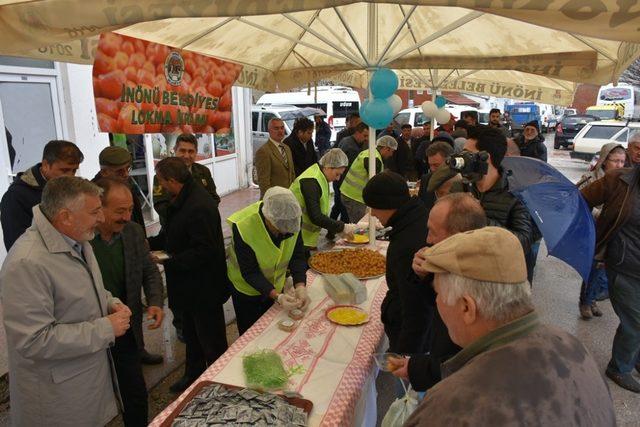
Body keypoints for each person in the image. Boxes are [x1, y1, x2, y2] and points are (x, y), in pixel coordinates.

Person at [404, 227, 616, 426]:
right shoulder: (574, 348)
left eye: (438, 293)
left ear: (467, 307)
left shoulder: (451, 403)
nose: (438, 302)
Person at [0, 176, 129, 426]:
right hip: (56, 401)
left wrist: (109, 302)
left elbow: (84, 290)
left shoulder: (77, 238)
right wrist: (105, 328)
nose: (101, 218)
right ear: (65, 216)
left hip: (84, 386)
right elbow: (33, 341)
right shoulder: (27, 263)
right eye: (94, 212)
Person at [389, 193, 486, 392]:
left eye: (433, 232)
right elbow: (433, 304)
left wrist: (416, 368)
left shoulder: (480, 280)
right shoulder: (457, 259)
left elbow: (464, 361)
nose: (428, 239)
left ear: (458, 234)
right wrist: (422, 276)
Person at [149, 157, 230, 392]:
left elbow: (205, 250)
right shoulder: (182, 199)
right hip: (188, 288)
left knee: (212, 342)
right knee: (193, 338)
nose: (161, 187)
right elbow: (172, 234)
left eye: (162, 181)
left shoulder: (198, 205)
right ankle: (193, 376)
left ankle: (220, 385)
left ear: (172, 181)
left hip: (204, 288)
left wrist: (169, 259)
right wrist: (150, 243)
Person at [91, 178, 165, 425]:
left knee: (134, 391)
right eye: (119, 211)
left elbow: (149, 269)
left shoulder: (132, 231)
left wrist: (155, 301)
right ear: (98, 208)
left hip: (126, 331)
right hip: (91, 332)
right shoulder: (83, 240)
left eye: (130, 209)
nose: (126, 216)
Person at [581, 161, 640, 393]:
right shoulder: (618, 179)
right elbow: (582, 200)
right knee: (635, 321)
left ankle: (634, 357)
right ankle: (619, 367)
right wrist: (597, 232)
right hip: (623, 264)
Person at [362, 171, 431, 354]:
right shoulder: (417, 214)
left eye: (374, 207)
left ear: (387, 204)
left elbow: (415, 307)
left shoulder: (407, 245)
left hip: (409, 332)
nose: (373, 214)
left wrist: (404, 354)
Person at [227, 187, 309, 334]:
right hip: (246, 291)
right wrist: (278, 296)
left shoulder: (292, 218)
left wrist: (300, 285)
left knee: (272, 331)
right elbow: (250, 272)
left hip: (274, 286)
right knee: (250, 334)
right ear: (268, 217)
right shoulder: (243, 226)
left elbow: (297, 256)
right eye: (280, 228)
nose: (285, 233)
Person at [462, 126, 534, 260]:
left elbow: (523, 242)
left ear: (485, 158)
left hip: (495, 270)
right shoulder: (463, 185)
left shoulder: (515, 193)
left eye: (467, 154)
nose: (461, 159)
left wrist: (481, 218)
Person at [1, 140, 83, 250]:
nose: (70, 176)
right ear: (45, 165)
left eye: (74, 171)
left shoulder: (70, 188)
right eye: (64, 170)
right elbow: (17, 247)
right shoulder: (15, 197)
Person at [576, 143, 626, 320]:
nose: (619, 165)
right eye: (616, 161)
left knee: (604, 269)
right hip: (592, 231)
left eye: (622, 161)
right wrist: (598, 213)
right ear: (605, 161)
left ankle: (592, 299)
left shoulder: (624, 182)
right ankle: (585, 301)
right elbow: (579, 202)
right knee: (593, 267)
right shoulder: (590, 179)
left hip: (611, 231)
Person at [290, 149, 357, 249]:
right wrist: (342, 227)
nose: (338, 179)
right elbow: (315, 216)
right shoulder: (311, 181)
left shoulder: (320, 176)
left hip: (305, 237)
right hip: (295, 235)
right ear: (328, 167)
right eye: (337, 174)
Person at [153, 133, 220, 226]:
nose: (186, 155)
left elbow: (214, 198)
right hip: (174, 229)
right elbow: (161, 207)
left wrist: (204, 214)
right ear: (175, 150)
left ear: (196, 152)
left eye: (191, 151)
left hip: (201, 226)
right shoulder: (162, 175)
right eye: (182, 151)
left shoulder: (204, 171)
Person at [341, 135, 397, 223]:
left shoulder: (370, 153)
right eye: (392, 151)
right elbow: (375, 183)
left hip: (349, 193)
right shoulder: (374, 159)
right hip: (354, 197)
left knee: (356, 222)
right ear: (386, 148)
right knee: (360, 226)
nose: (391, 155)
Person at [93, 146, 146, 234]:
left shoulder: (127, 186)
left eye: (128, 168)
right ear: (104, 172)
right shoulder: (93, 194)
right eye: (119, 171)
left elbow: (137, 219)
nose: (126, 174)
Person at [330, 122, 369, 224]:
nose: (366, 138)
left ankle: (331, 230)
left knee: (338, 206)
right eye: (365, 135)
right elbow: (338, 163)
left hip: (350, 184)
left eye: (368, 136)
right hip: (341, 181)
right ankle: (339, 230)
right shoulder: (346, 143)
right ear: (357, 133)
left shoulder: (364, 144)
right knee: (342, 209)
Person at [255, 118, 295, 198]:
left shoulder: (287, 148)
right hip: (274, 200)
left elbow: (292, 173)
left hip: (288, 197)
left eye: (282, 128)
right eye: (276, 128)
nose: (280, 131)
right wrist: (272, 201)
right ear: (269, 131)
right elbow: (264, 183)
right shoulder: (263, 152)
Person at [417, 142, 455, 213]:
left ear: (450, 162)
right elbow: (421, 207)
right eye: (430, 165)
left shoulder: (460, 181)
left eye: (436, 165)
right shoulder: (426, 179)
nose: (432, 169)